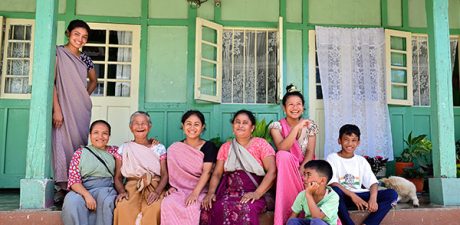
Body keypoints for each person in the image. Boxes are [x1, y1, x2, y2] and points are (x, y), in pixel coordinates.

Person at [202, 109, 277, 225]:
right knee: (214, 207)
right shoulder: (226, 147)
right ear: (233, 126)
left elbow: (272, 171)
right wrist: (211, 192)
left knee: (245, 209)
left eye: (245, 123)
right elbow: (217, 173)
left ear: (252, 128)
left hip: (255, 192)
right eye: (237, 122)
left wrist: (257, 193)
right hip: (230, 192)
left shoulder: (261, 144)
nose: (240, 125)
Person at [52, 19, 97, 191]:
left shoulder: (85, 58)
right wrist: (57, 109)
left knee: (79, 145)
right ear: (68, 33)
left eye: (84, 37)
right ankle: (63, 188)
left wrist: (83, 95)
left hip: (81, 109)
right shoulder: (58, 53)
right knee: (61, 145)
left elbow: (94, 81)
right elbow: (52, 83)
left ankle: (77, 184)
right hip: (62, 108)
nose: (80, 39)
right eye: (77, 34)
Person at [326, 124, 398, 225]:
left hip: (361, 197)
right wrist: (353, 196)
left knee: (392, 194)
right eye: (346, 139)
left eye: (354, 140)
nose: (350, 143)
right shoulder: (332, 158)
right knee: (334, 191)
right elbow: (333, 183)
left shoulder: (361, 160)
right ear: (339, 141)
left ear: (358, 142)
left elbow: (373, 183)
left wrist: (373, 199)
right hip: (343, 198)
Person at [270, 84, 319, 225]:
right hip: (286, 170)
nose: (295, 107)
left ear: (303, 107)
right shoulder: (276, 126)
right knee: (282, 156)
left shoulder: (310, 125)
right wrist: (297, 127)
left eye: (298, 104)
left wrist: (302, 169)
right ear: (284, 108)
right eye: (290, 104)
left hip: (306, 168)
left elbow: (310, 152)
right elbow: (282, 148)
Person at [61, 120, 124, 225]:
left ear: (109, 136)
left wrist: (151, 142)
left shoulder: (116, 152)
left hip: (106, 188)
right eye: (96, 132)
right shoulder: (80, 153)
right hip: (83, 189)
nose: (100, 136)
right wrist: (87, 195)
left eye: (105, 133)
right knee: (72, 202)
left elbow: (133, 149)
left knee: (107, 201)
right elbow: (74, 181)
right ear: (90, 135)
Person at [161, 110, 218, 225]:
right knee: (168, 203)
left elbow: (207, 172)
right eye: (188, 123)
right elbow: (174, 173)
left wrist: (194, 194)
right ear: (183, 126)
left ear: (203, 127)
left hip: (200, 190)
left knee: (192, 207)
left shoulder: (208, 147)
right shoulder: (175, 148)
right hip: (180, 190)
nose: (192, 127)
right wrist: (172, 187)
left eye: (196, 124)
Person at [113, 111, 168, 225]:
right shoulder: (124, 148)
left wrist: (157, 192)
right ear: (130, 127)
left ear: (150, 126)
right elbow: (117, 177)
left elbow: (165, 175)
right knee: (122, 207)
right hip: (131, 188)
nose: (140, 126)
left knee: (155, 208)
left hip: (154, 186)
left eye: (144, 123)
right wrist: (122, 191)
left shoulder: (158, 148)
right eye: (136, 123)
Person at [287, 160, 339, 225]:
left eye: (309, 175)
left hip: (323, 223)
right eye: (304, 174)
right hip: (309, 222)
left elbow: (317, 216)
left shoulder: (333, 197)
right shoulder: (302, 194)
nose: (304, 178)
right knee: (293, 221)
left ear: (322, 180)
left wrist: (309, 194)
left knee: (316, 222)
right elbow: (293, 215)